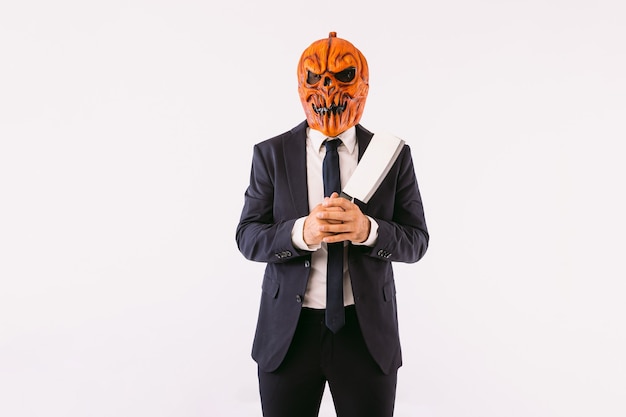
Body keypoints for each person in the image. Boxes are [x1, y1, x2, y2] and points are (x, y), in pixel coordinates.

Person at [236, 32, 429, 417]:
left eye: (343, 76)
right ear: (300, 87)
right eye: (315, 78)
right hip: (288, 336)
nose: (327, 88)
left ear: (364, 86)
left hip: (365, 332)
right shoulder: (271, 154)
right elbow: (247, 237)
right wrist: (299, 233)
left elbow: (417, 241)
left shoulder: (391, 156)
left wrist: (369, 231)